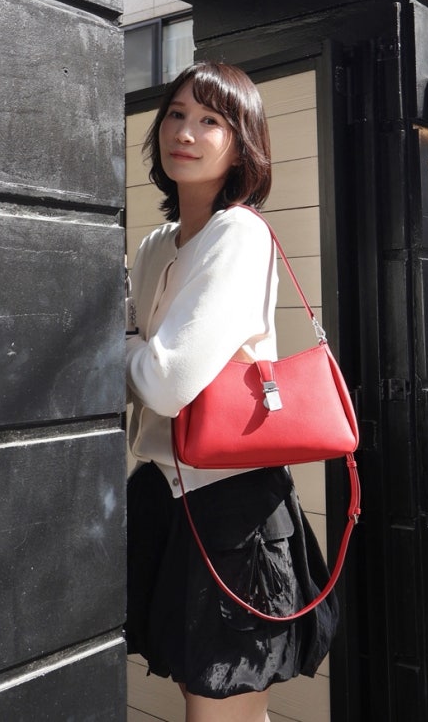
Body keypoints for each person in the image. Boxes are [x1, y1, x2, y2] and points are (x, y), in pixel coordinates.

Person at [125, 61, 338, 722]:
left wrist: (125, 346)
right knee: (213, 705)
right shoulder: (156, 245)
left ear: (242, 144)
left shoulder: (239, 233)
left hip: (232, 510)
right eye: (176, 114)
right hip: (164, 492)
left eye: (210, 120)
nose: (184, 132)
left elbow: (165, 381)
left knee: (222, 712)